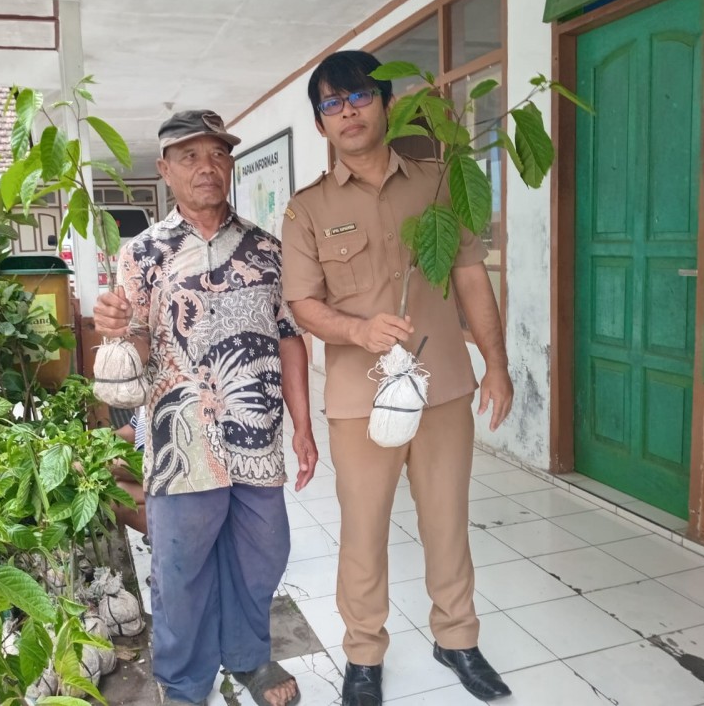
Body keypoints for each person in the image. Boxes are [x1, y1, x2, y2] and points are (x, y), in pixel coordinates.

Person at [280, 50, 514, 705]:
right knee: (364, 530)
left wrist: (496, 365)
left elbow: (471, 278)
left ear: (386, 104)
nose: (347, 112)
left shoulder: (438, 184)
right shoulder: (307, 210)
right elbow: (303, 305)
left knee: (447, 520)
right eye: (332, 104)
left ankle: (457, 639)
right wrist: (359, 331)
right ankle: (363, 654)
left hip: (442, 387)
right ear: (321, 123)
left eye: (359, 97)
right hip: (361, 400)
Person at [93, 109, 318, 706]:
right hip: (181, 440)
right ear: (165, 169)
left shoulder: (267, 250)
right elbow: (136, 344)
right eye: (189, 156)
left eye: (217, 154)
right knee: (180, 567)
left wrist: (303, 426)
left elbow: (290, 338)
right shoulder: (144, 253)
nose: (206, 166)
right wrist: (117, 326)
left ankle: (247, 657)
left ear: (231, 164)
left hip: (256, 432)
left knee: (262, 552)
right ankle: (184, 681)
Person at [111, 407, 148, 537]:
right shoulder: (144, 403)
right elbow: (132, 430)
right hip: (157, 475)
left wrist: (106, 464)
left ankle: (176, 540)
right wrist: (99, 437)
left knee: (117, 496)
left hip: (178, 486)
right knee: (116, 489)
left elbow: (155, 468)